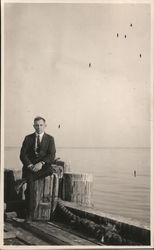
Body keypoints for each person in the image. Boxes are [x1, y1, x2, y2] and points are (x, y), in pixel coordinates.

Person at [17, 116, 57, 218]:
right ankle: (29, 215)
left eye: (41, 125)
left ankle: (24, 180)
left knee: (49, 170)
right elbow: (23, 155)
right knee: (30, 186)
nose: (39, 127)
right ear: (33, 126)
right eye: (37, 125)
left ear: (45, 126)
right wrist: (30, 165)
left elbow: (51, 155)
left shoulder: (50, 139)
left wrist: (41, 163)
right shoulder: (28, 138)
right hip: (30, 167)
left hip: (43, 167)